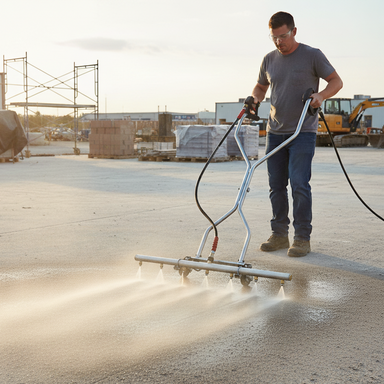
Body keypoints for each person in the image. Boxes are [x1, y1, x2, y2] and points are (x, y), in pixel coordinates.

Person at [251, 11, 343, 257]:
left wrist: (321, 95)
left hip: (303, 131)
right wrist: (254, 98)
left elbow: (336, 81)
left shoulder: (312, 55)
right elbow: (261, 86)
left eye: (282, 36)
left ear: (294, 31)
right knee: (276, 185)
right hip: (275, 131)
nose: (279, 42)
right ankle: (279, 235)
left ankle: (302, 238)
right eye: (274, 38)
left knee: (299, 184)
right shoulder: (269, 59)